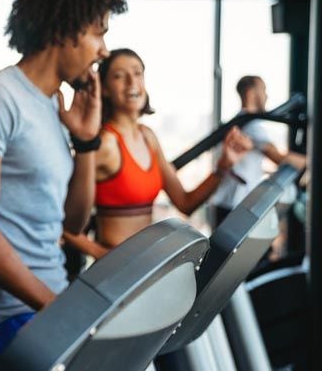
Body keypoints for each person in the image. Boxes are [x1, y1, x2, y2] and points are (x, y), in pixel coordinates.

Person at [0, 0, 127, 371]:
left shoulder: (49, 104)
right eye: (98, 33)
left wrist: (85, 142)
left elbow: (73, 222)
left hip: (50, 296)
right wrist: (58, 309)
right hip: (4, 311)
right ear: (65, 29)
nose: (103, 50)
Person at [63, 48, 252, 259]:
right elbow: (61, 220)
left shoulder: (147, 137)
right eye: (118, 76)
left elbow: (185, 202)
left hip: (145, 266)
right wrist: (99, 253)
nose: (131, 82)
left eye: (137, 73)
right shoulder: (105, 143)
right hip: (115, 273)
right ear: (104, 88)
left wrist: (223, 168)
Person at [210, 75, 307, 224]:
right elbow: (279, 158)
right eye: (263, 90)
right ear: (251, 93)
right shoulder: (250, 125)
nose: (266, 95)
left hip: (228, 203)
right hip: (235, 206)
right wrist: (311, 161)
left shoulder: (241, 122)